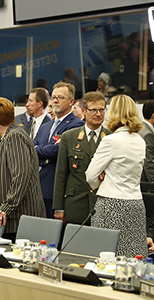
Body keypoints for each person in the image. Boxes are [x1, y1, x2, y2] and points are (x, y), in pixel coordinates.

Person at [0, 97, 45, 239]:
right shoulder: (7, 137)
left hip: (18, 220)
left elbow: (21, 177)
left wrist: (6, 207)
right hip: (7, 218)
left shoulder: (15, 137)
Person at [86, 94, 148, 258]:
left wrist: (100, 183)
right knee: (132, 255)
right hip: (135, 203)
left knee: (106, 254)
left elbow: (90, 175)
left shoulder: (111, 140)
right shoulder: (140, 141)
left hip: (111, 203)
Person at [53, 92, 111, 224]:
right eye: (93, 110)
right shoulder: (69, 137)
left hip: (101, 203)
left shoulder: (110, 137)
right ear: (84, 111)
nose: (98, 114)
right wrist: (58, 207)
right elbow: (61, 174)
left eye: (102, 110)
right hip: (75, 204)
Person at [34, 82, 84, 218]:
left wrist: (39, 149)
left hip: (57, 190)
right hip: (40, 189)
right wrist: (42, 150)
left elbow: (58, 150)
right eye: (53, 97)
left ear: (71, 101)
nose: (55, 100)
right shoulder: (45, 126)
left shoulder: (76, 125)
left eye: (60, 97)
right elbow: (31, 149)